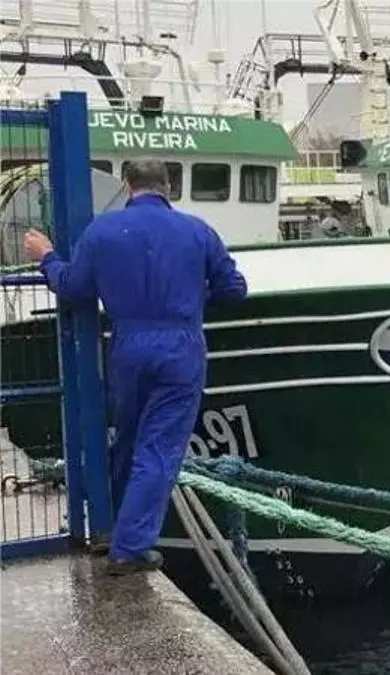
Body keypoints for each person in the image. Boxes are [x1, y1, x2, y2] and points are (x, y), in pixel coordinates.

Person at [23, 159, 247, 575]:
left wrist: (47, 257)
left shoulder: (101, 232)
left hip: (127, 346)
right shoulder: (198, 231)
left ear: (127, 186)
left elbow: (73, 287)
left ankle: (108, 525)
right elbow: (234, 290)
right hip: (180, 347)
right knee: (158, 449)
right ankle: (129, 548)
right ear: (167, 186)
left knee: (127, 440)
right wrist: (194, 301)